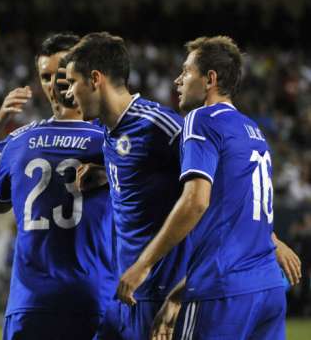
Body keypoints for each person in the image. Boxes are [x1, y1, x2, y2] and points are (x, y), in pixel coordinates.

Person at [118, 36, 288, 339]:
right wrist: (178, 294)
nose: (177, 80)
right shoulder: (253, 131)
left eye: (186, 72)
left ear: (210, 79)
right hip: (268, 290)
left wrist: (143, 265)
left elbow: (196, 201)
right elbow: (237, 229)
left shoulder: (201, 119)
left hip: (222, 294)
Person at [65, 32, 188, 340]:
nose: (69, 94)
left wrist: (267, 235)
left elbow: (215, 183)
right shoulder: (108, 132)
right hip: (125, 294)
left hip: (160, 292)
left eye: (72, 82)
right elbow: (142, 170)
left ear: (95, 79)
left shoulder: (158, 124)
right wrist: (106, 174)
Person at [0, 68, 115, 339]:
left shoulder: (19, 141)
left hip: (30, 300)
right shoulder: (108, 142)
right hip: (92, 292)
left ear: (54, 94)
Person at [0, 33, 80, 176]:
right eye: (46, 77)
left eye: (62, 74)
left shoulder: (108, 130)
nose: (53, 85)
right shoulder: (29, 137)